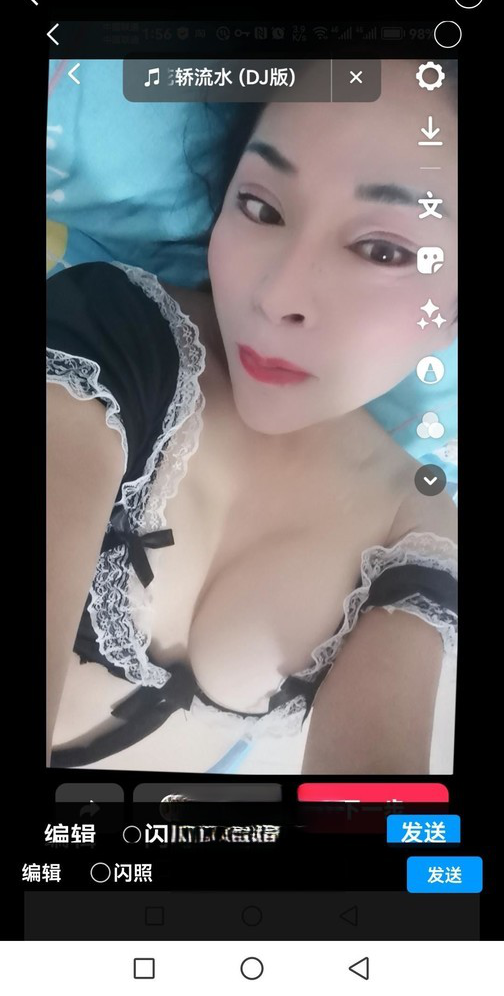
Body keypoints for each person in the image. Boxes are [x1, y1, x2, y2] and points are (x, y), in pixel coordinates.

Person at [47, 59, 458, 774]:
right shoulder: (108, 339)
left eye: (383, 250)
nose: (277, 296)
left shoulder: (417, 519)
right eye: (262, 208)